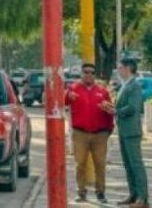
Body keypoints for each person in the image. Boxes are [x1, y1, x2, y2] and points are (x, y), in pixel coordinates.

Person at [101, 58, 149, 208]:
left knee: (136, 164)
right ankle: (133, 194)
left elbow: (133, 107)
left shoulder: (134, 85)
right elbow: (123, 106)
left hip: (132, 131)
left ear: (128, 68)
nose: (118, 70)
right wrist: (111, 107)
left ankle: (142, 198)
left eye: (120, 67)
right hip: (123, 130)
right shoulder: (124, 85)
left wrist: (115, 111)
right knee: (128, 164)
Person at [66, 63, 114, 203]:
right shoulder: (73, 89)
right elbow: (63, 100)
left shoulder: (102, 91)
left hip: (100, 135)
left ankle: (100, 193)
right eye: (86, 72)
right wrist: (68, 95)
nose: (89, 74)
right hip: (80, 133)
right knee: (80, 164)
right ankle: (81, 193)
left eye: (92, 72)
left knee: (100, 164)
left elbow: (110, 110)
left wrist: (108, 130)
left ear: (95, 74)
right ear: (81, 73)